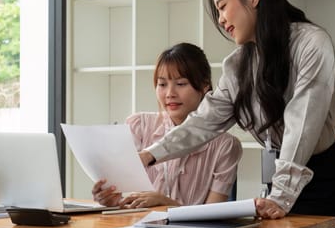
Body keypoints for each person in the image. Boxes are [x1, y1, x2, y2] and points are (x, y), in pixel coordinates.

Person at [138, 0, 335, 228]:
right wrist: (150, 155)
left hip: (325, 179)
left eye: (222, 6)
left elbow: (302, 122)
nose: (220, 19)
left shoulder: (312, 42)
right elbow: (204, 121)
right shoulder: (238, 64)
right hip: (281, 177)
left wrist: (281, 195)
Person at [92, 42, 242, 208]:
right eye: (162, 84)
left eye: (181, 84)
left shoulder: (225, 146)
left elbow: (212, 217)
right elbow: (120, 198)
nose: (170, 94)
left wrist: (167, 204)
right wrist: (110, 200)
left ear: (204, 85)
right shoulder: (138, 126)